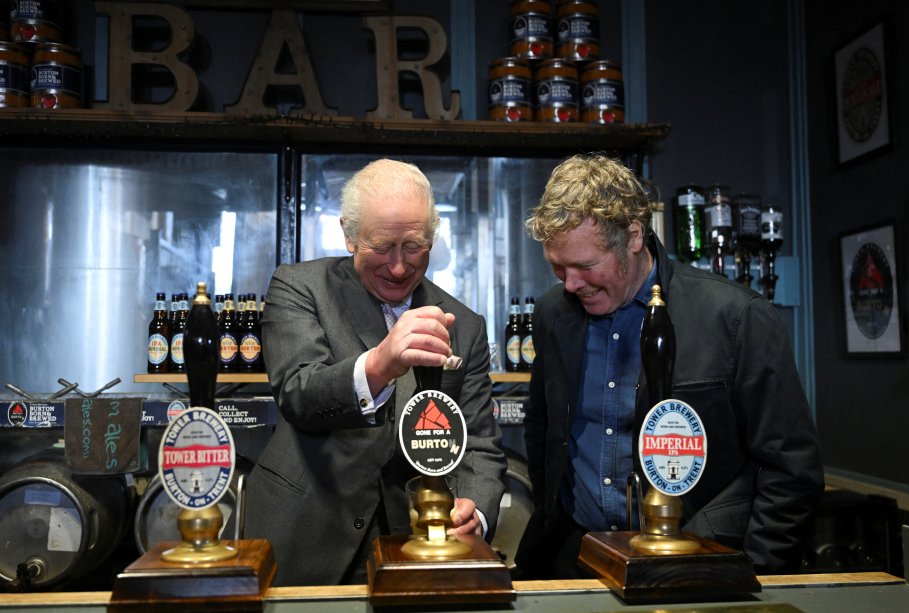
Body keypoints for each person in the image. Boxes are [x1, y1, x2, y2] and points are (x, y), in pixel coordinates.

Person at [514, 153, 823, 578]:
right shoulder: (553, 313)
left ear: (634, 236)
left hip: (696, 564)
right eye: (557, 267)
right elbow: (543, 428)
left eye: (585, 266)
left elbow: (791, 470)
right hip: (575, 555)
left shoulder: (736, 317)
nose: (570, 284)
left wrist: (756, 573)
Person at [244, 158, 507, 586]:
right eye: (382, 246)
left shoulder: (465, 323)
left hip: (412, 541)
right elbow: (298, 393)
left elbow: (478, 440)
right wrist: (382, 363)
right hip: (306, 529)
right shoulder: (300, 287)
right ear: (350, 235)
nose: (399, 266)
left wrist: (474, 510)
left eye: (415, 246)